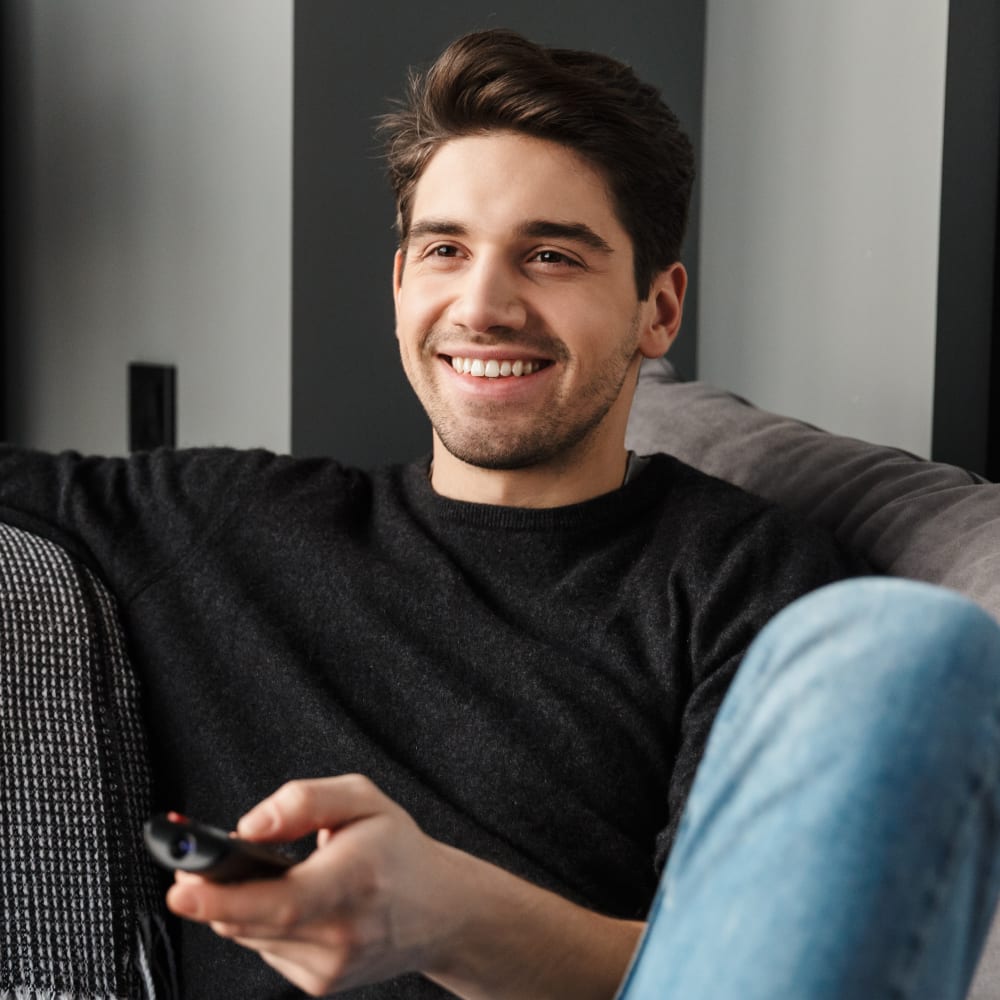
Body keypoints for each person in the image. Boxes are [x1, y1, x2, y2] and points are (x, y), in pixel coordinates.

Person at [2, 28, 999, 1000]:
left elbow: (735, 959)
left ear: (659, 307)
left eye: (551, 257)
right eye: (443, 249)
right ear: (399, 285)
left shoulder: (742, 581)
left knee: (916, 647)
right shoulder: (227, 519)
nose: (482, 305)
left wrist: (441, 913)